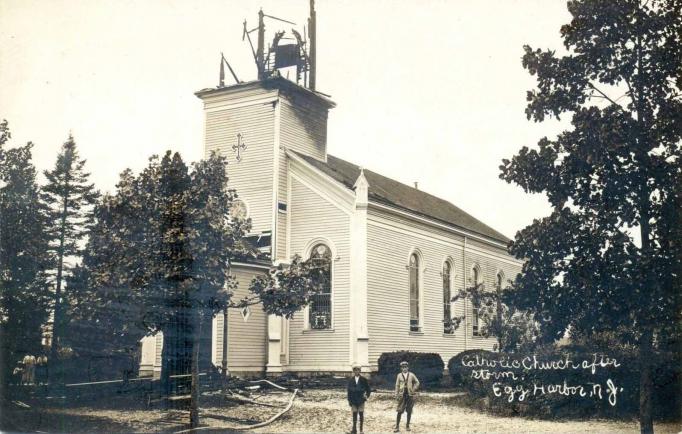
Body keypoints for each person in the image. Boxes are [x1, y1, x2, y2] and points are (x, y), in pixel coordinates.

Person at [394, 361, 420, 432]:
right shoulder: (399, 375)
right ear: (401, 368)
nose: (404, 369)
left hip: (409, 395)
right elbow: (397, 385)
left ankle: (407, 426)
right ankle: (397, 426)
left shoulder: (411, 375)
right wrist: (396, 394)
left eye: (405, 367)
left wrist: (413, 389)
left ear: (408, 367)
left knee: (409, 411)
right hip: (402, 395)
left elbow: (417, 382)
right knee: (399, 411)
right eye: (403, 367)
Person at [347, 363, 371, 434]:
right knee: (354, 415)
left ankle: (361, 430)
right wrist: (349, 401)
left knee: (361, 414)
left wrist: (366, 396)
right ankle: (354, 430)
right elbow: (349, 391)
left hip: (361, 400)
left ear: (360, 371)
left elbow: (368, 389)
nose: (356, 371)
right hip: (353, 400)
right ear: (353, 371)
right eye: (355, 370)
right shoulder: (351, 380)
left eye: (358, 370)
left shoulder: (363, 380)